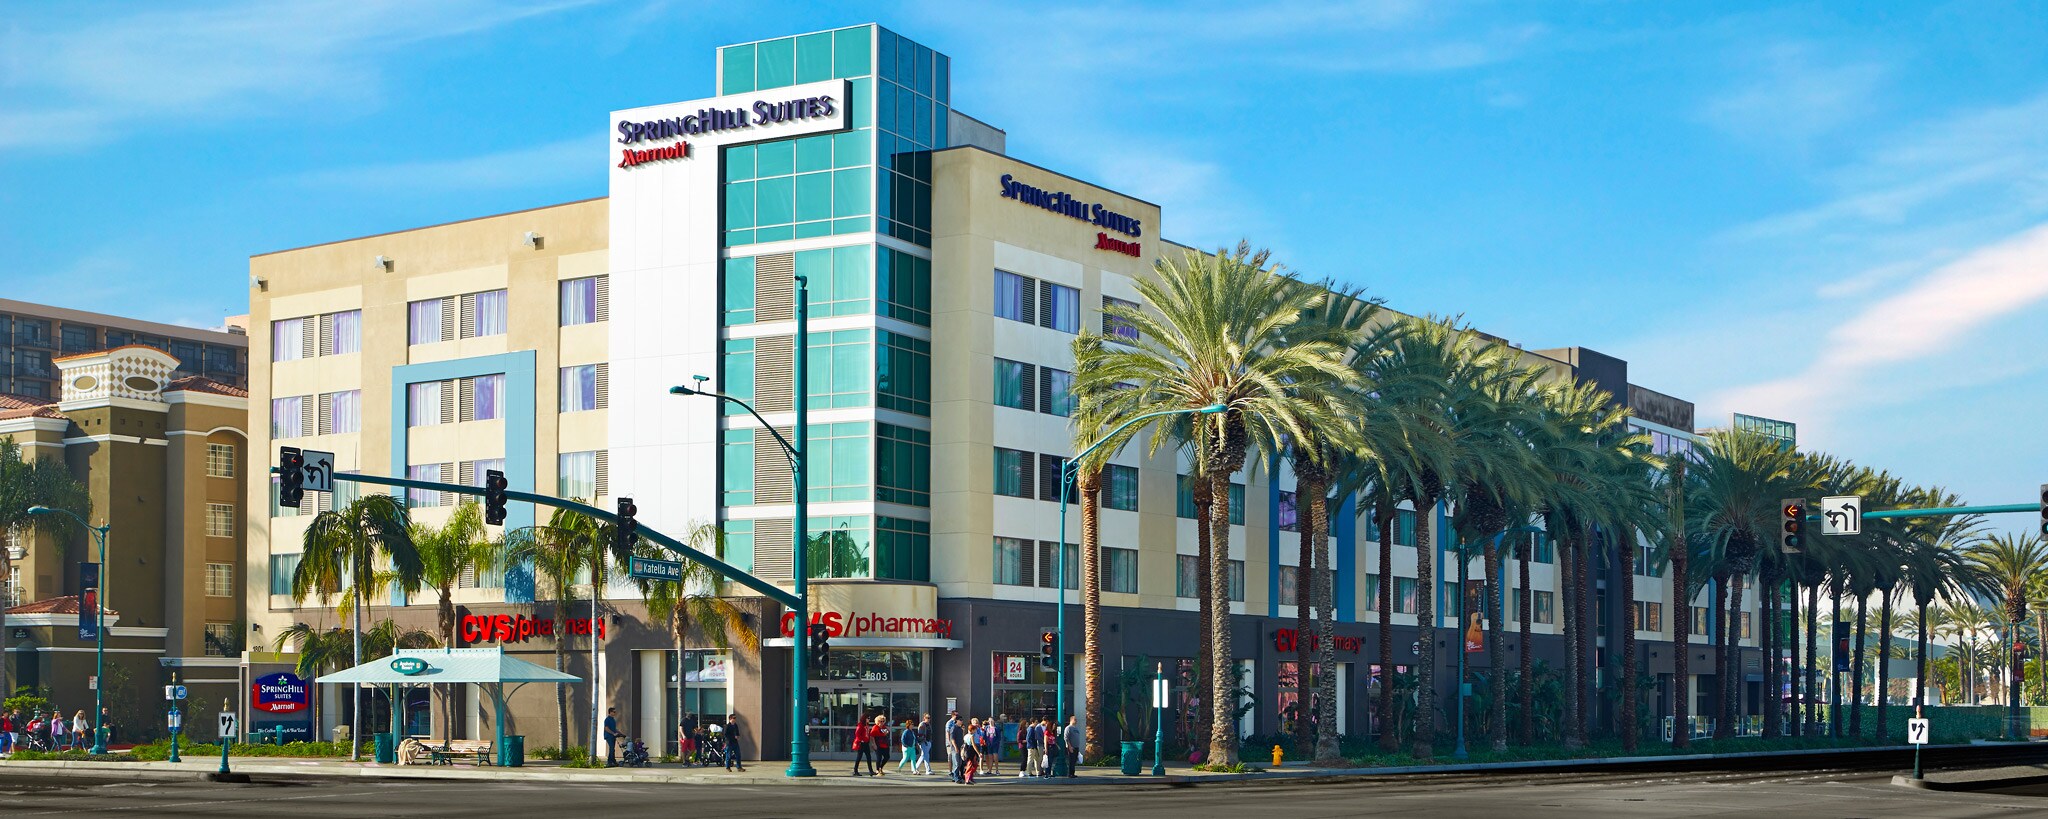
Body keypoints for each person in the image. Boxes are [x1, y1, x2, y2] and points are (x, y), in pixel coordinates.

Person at [945, 711, 966, 782]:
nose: (961, 721)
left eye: (962, 720)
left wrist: (962, 747)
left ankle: (956, 776)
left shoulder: (960, 729)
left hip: (960, 748)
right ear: (957, 720)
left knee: (960, 763)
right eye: (960, 720)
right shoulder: (954, 728)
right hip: (955, 748)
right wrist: (955, 747)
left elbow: (962, 738)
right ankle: (955, 777)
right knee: (956, 763)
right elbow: (952, 739)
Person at [958, 718, 980, 784]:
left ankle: (969, 778)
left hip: (967, 750)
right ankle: (967, 779)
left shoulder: (965, 736)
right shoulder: (971, 736)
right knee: (971, 765)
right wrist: (978, 753)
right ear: (972, 730)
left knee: (970, 764)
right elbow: (974, 745)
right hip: (971, 751)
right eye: (974, 729)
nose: (975, 730)